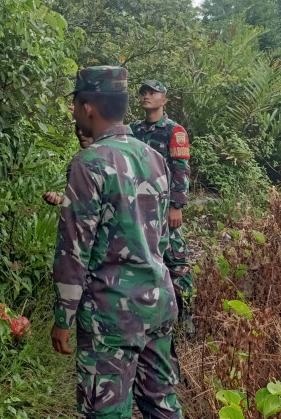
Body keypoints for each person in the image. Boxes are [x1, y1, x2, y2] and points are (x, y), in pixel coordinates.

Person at [51, 66, 182, 419]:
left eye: (75, 104)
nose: (74, 112)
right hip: (158, 301)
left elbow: (73, 253)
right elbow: (163, 241)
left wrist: (63, 318)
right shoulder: (153, 158)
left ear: (89, 106)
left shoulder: (89, 163)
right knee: (161, 403)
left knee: (107, 410)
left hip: (111, 315)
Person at [130, 81, 193, 326]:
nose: (146, 96)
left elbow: (180, 171)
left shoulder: (173, 131)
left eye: (152, 93)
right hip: (137, 207)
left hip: (164, 207)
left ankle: (186, 314)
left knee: (176, 259)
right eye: (143, 93)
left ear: (164, 100)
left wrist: (176, 206)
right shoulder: (133, 130)